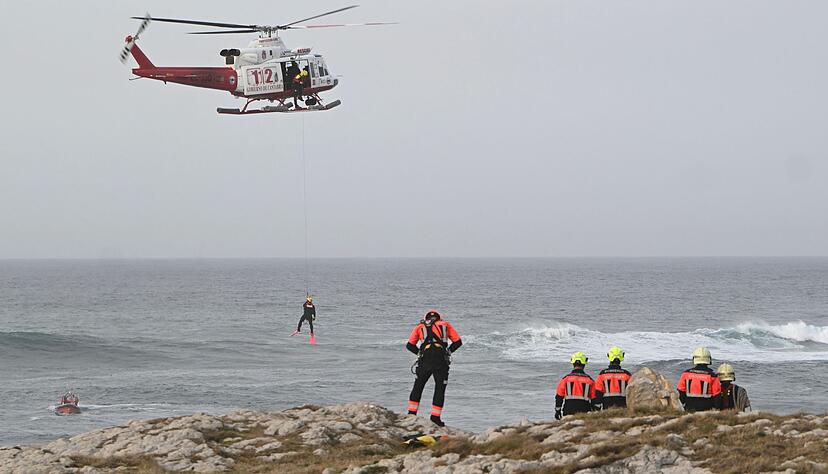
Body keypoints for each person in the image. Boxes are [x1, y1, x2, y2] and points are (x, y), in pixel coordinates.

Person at [406, 310, 462, 427]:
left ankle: (411, 414)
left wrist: (420, 353)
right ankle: (435, 418)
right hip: (440, 360)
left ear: (426, 318)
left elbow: (410, 345)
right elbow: (458, 342)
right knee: (439, 388)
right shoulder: (445, 325)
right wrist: (448, 352)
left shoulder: (420, 326)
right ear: (439, 318)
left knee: (418, 386)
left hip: (425, 360)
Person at [676, 347, 722, 412]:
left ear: (694, 359)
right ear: (709, 360)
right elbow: (717, 396)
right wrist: (717, 410)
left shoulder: (685, 374)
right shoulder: (712, 376)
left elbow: (681, 392)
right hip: (707, 410)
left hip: (689, 408)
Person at [555, 352, 599, 419]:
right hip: (584, 412)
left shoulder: (565, 379)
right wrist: (595, 411)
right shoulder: (590, 380)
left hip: (568, 411)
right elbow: (594, 399)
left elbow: (559, 397)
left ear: (573, 363)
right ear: (584, 364)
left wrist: (558, 411)